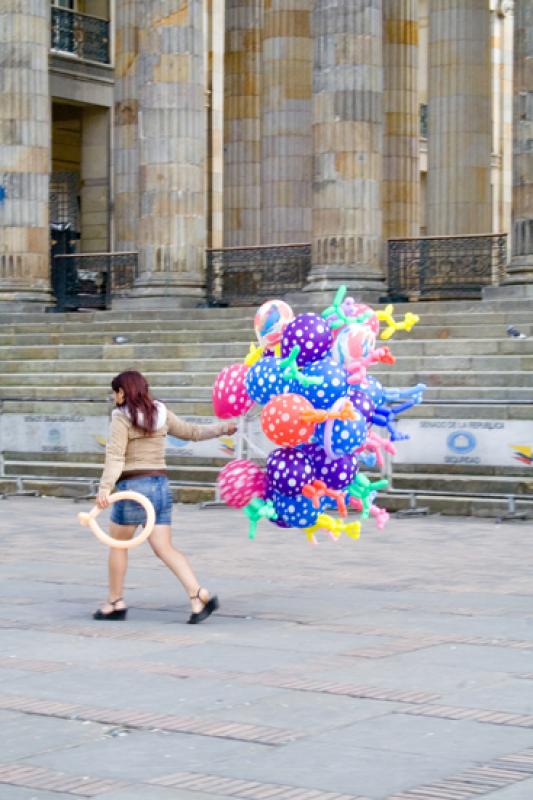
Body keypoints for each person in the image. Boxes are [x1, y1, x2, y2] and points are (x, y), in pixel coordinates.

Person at [94, 370, 237, 624]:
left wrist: (105, 488)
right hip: (160, 487)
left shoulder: (120, 416)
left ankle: (115, 602)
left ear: (123, 392)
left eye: (115, 392)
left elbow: (115, 456)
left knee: (118, 545)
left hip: (133, 489)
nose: (114, 397)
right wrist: (223, 428)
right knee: (165, 548)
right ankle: (197, 595)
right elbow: (192, 432)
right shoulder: (160, 411)